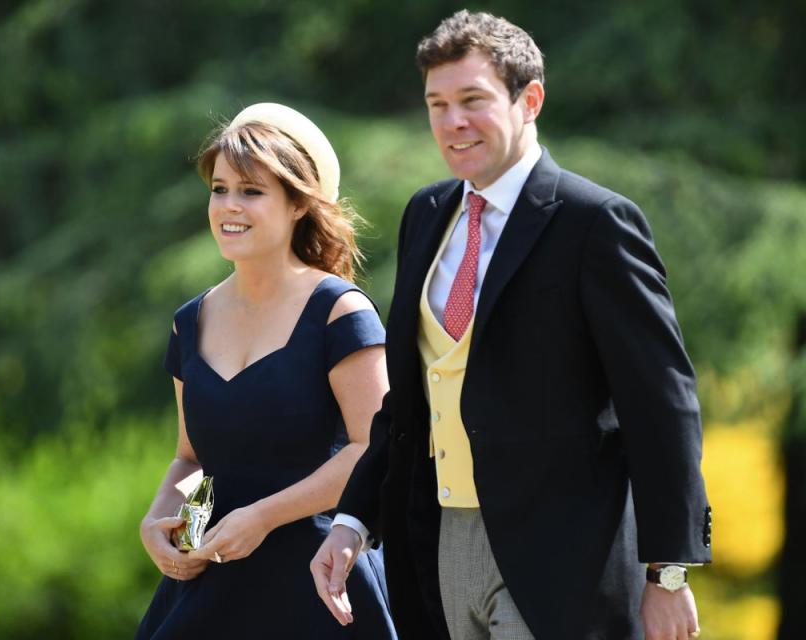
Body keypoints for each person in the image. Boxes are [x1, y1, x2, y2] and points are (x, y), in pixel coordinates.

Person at [311, 10, 712, 640]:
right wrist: (353, 520)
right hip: (439, 541)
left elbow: (661, 404)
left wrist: (667, 574)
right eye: (436, 104)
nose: (452, 122)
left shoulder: (595, 223)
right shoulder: (427, 213)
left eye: (473, 100)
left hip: (563, 557)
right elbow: (410, 402)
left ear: (530, 100)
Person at [135, 103, 397, 639]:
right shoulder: (190, 321)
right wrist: (159, 520)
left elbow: (376, 449)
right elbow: (192, 459)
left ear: (299, 203)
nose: (229, 206)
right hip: (213, 586)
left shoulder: (340, 312)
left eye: (252, 191)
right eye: (220, 188)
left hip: (321, 582)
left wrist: (263, 516)